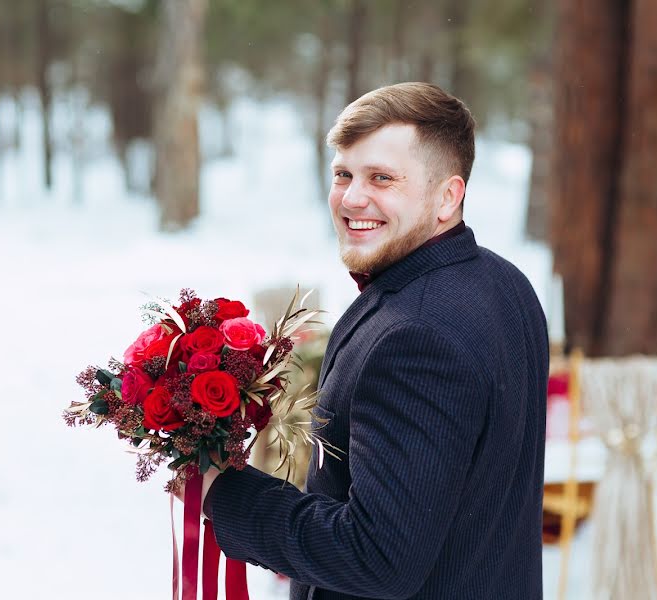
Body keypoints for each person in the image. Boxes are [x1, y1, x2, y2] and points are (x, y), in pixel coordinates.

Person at [199, 82, 548, 599]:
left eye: (381, 178)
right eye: (343, 174)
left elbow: (379, 558)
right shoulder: (504, 282)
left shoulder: (416, 337)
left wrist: (225, 493)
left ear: (448, 196)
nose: (352, 197)